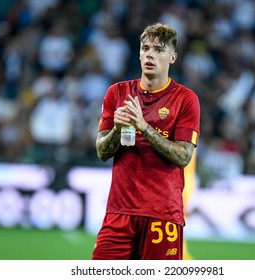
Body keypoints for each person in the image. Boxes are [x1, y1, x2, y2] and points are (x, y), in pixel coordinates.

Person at [92, 22, 200, 260]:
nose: (150, 54)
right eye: (145, 48)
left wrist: (144, 127)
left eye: (159, 50)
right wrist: (118, 130)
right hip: (119, 213)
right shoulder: (116, 93)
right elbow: (102, 151)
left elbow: (183, 156)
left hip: (162, 216)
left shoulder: (186, 99)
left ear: (173, 57)